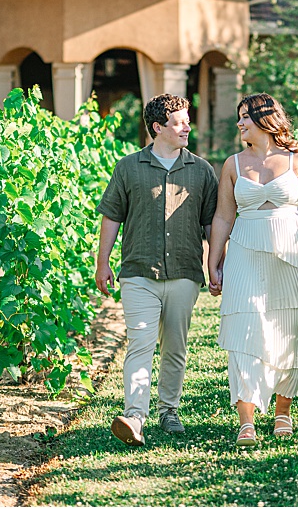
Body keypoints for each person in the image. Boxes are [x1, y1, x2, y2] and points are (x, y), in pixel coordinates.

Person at [206, 92, 298, 448]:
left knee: (291, 330)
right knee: (245, 332)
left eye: (245, 118)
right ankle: (246, 420)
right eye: (239, 118)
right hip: (246, 254)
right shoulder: (232, 164)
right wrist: (213, 261)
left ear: (265, 119)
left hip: (295, 254)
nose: (239, 124)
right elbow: (223, 216)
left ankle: (283, 411)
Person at [95, 93, 219, 446]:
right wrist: (102, 263)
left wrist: (215, 266)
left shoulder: (201, 171)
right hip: (138, 273)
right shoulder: (128, 167)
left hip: (184, 272)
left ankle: (169, 409)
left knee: (175, 346)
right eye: (179, 122)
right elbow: (112, 216)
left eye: (187, 120)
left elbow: (211, 224)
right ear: (157, 128)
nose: (186, 127)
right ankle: (135, 416)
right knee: (140, 343)